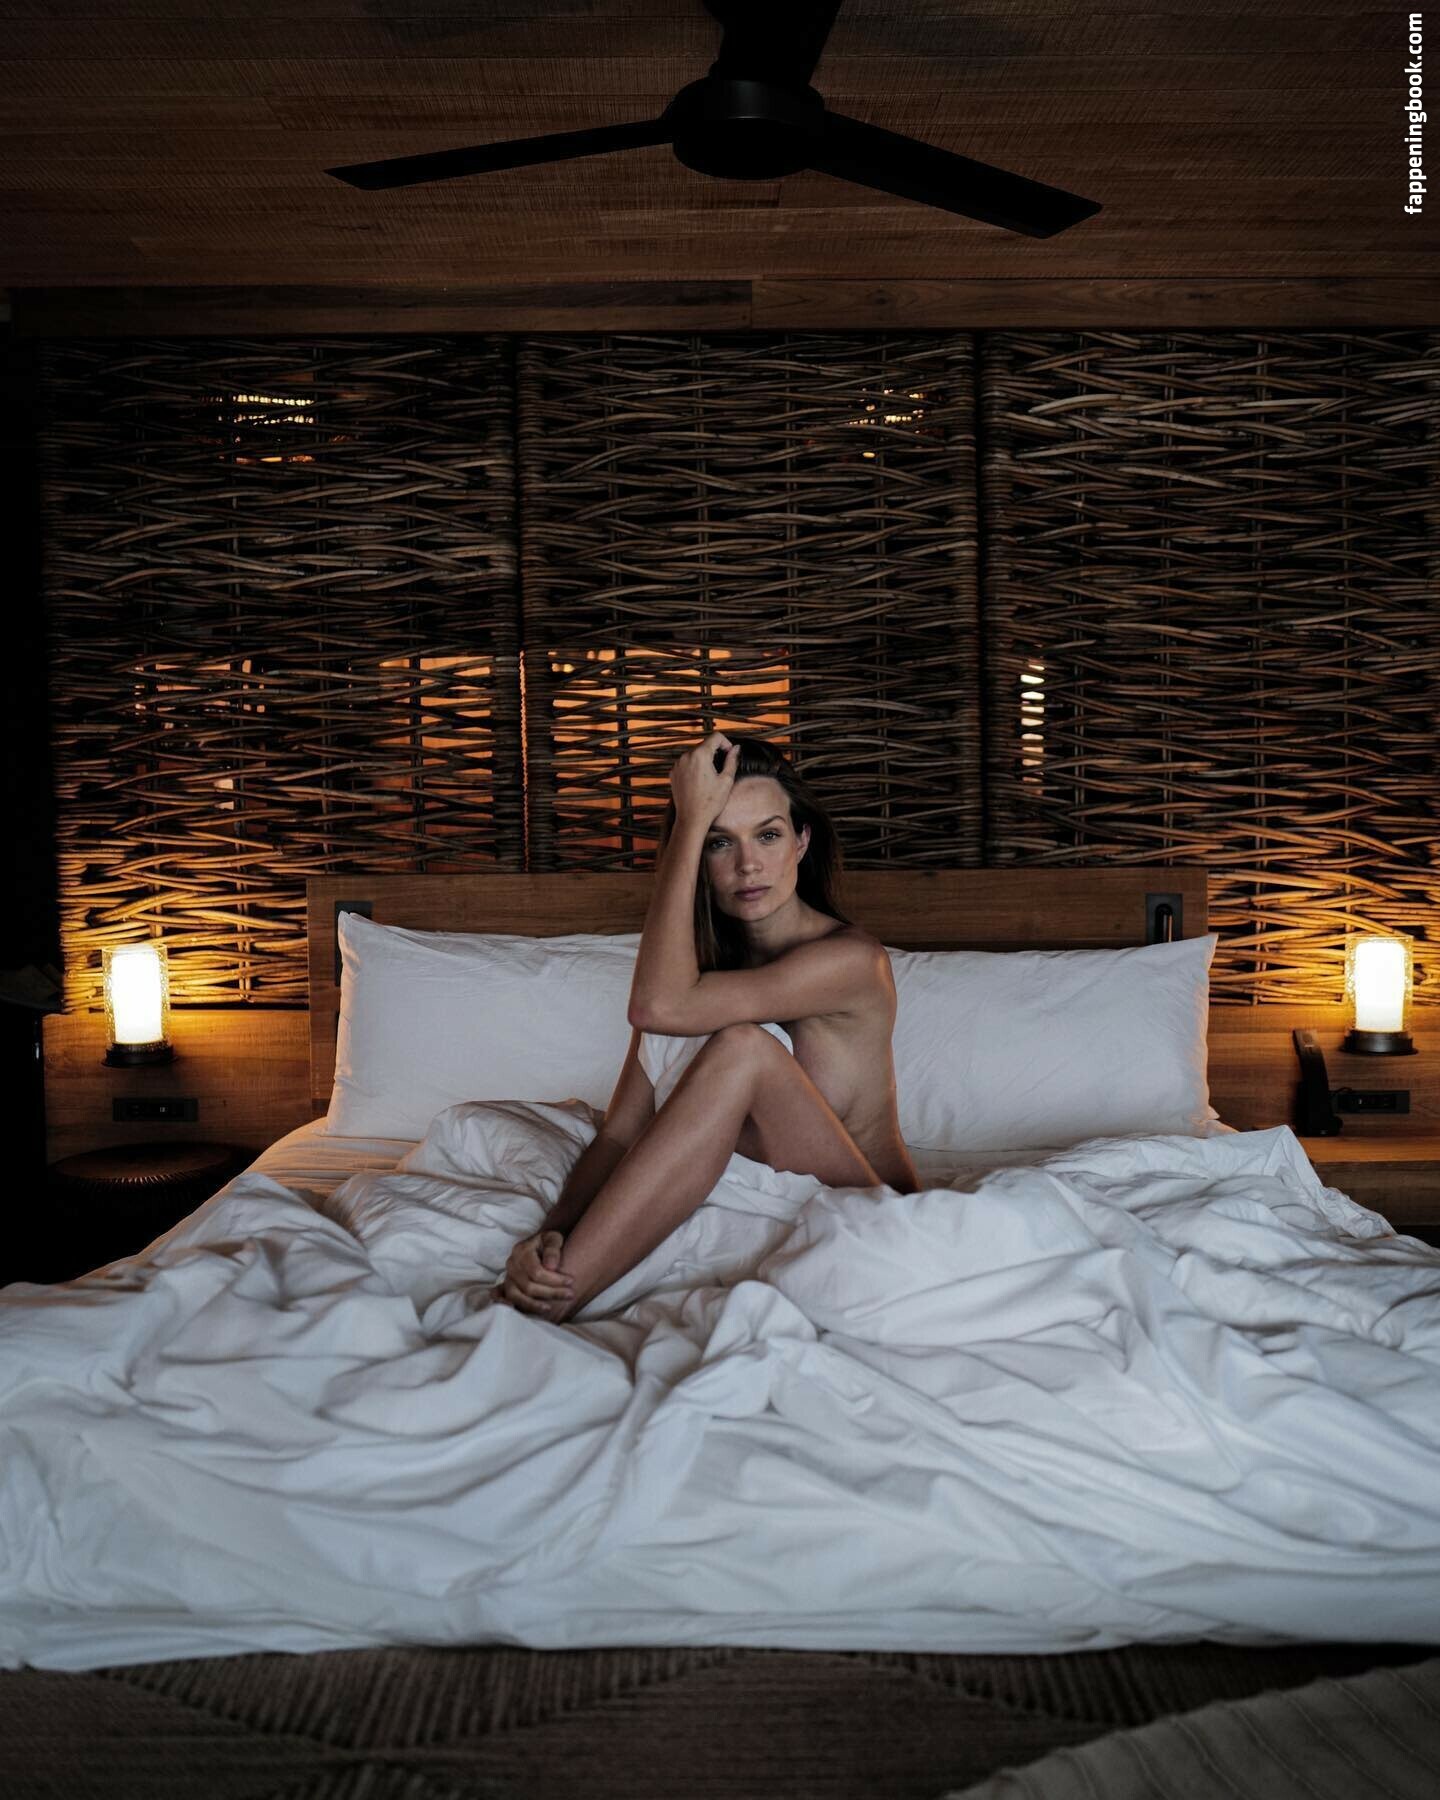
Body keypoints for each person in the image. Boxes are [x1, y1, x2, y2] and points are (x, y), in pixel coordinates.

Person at [495, 730, 920, 1322]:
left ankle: (551, 1303)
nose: (748, 864)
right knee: (720, 1043)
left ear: (801, 842)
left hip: (870, 1206)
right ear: (696, 859)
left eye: (768, 835)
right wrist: (551, 1236)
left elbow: (655, 1007)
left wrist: (693, 817)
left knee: (744, 1048)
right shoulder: (696, 978)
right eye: (720, 842)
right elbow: (620, 1135)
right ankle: (553, 1280)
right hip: (768, 1201)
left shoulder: (850, 962)